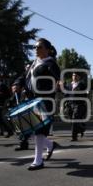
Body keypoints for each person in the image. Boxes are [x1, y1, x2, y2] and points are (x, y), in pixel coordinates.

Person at [25, 38, 60, 170]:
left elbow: (58, 75)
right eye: (34, 47)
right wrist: (17, 84)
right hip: (32, 100)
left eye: (39, 47)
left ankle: (38, 161)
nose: (36, 49)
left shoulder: (51, 63)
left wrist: (60, 82)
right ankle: (50, 146)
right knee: (32, 131)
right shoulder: (33, 63)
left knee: (39, 131)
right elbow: (24, 77)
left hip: (45, 101)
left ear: (47, 49)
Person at [64, 72, 87, 141]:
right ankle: (82, 128)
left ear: (79, 77)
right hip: (70, 104)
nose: (74, 76)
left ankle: (74, 137)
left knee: (74, 119)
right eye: (73, 75)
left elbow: (85, 95)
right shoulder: (69, 85)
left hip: (78, 104)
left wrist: (77, 92)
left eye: (76, 75)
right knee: (72, 120)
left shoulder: (82, 85)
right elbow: (66, 94)